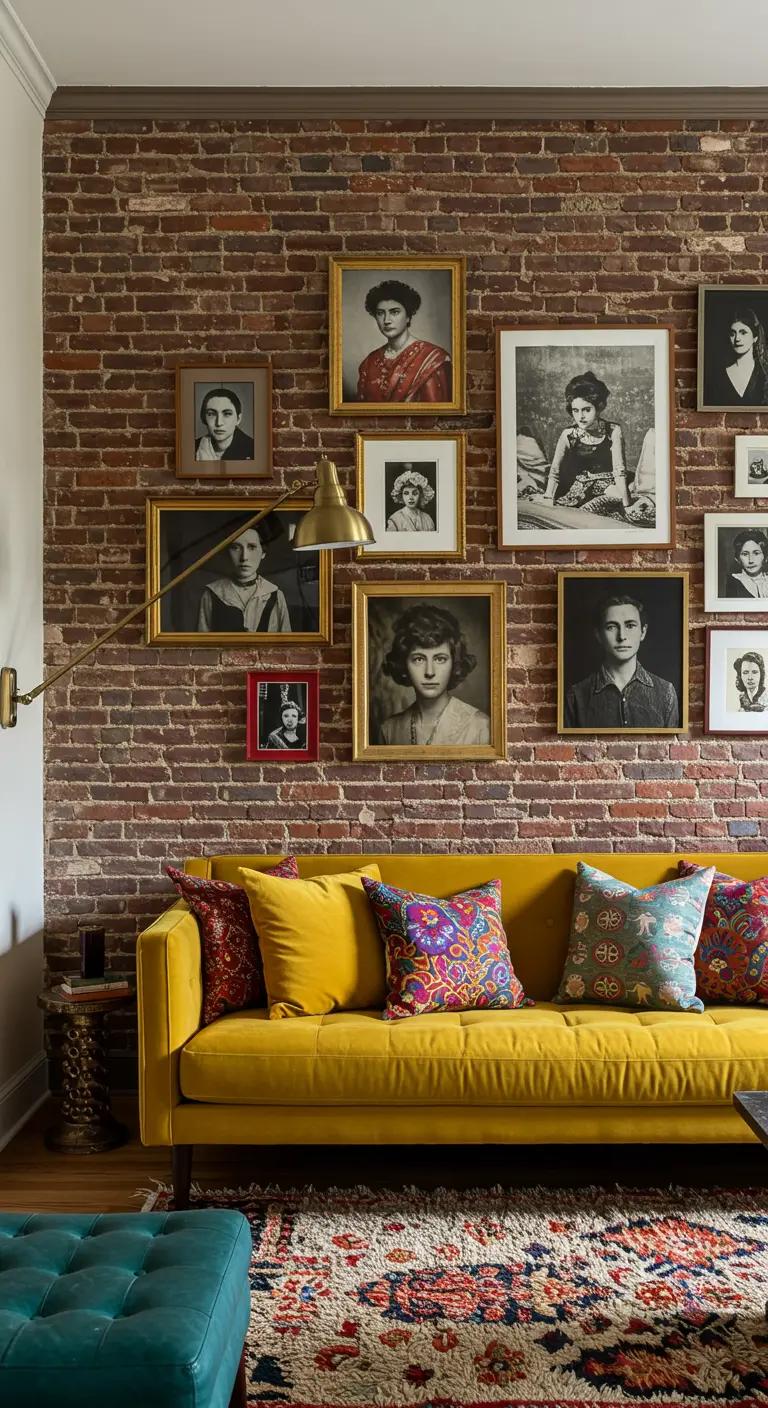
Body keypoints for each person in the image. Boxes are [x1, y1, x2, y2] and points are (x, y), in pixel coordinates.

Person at [378, 604, 490, 746]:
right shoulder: (390, 730)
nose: (429, 672)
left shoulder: (481, 727)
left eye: (440, 659)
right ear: (404, 664)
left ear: (454, 663)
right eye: (418, 659)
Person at [563, 594, 680, 730]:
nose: (622, 636)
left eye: (630, 626)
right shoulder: (576, 696)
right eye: (611, 627)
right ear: (599, 635)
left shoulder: (665, 692)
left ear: (643, 632)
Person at [538, 372, 632, 515]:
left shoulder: (613, 430)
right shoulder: (568, 435)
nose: (580, 417)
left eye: (586, 410)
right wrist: (547, 497)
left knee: (624, 495)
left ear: (599, 407)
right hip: (581, 486)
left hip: (610, 482)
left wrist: (627, 506)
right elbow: (555, 472)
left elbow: (619, 471)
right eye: (576, 410)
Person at [356, 280, 452, 403]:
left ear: (408, 316)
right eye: (380, 313)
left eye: (394, 312)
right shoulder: (369, 362)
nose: (386, 320)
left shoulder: (432, 359)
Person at [198, 524, 290, 633]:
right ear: (228, 551)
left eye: (252, 547)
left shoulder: (275, 595)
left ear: (263, 553)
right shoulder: (212, 594)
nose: (244, 557)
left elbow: (286, 643)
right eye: (236, 547)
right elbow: (201, 643)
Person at [704, 307, 768, 407]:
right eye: (732, 334)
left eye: (743, 333)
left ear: (755, 337)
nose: (737, 339)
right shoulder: (717, 377)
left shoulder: (764, 374)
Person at [195, 387, 255, 461]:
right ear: (203, 418)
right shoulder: (192, 447)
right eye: (211, 414)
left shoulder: (254, 449)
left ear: (238, 419)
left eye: (227, 414)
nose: (219, 423)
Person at [386, 466, 436, 533]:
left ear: (421, 495)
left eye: (415, 493)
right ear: (401, 496)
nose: (411, 497)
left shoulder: (427, 519)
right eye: (406, 493)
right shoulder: (394, 519)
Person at [724, 529, 768, 600]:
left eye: (756, 553)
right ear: (738, 559)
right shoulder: (732, 582)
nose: (751, 560)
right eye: (745, 554)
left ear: (765, 557)